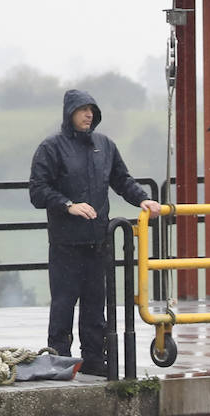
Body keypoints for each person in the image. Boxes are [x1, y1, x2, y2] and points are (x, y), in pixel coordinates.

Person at [28, 89, 160, 376]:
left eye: (92, 110)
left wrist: (142, 199)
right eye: (83, 109)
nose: (89, 114)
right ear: (69, 113)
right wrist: (67, 205)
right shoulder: (51, 148)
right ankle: (59, 358)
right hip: (65, 242)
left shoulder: (105, 146)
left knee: (95, 303)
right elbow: (37, 191)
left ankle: (93, 359)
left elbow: (122, 180)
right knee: (63, 302)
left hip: (99, 241)